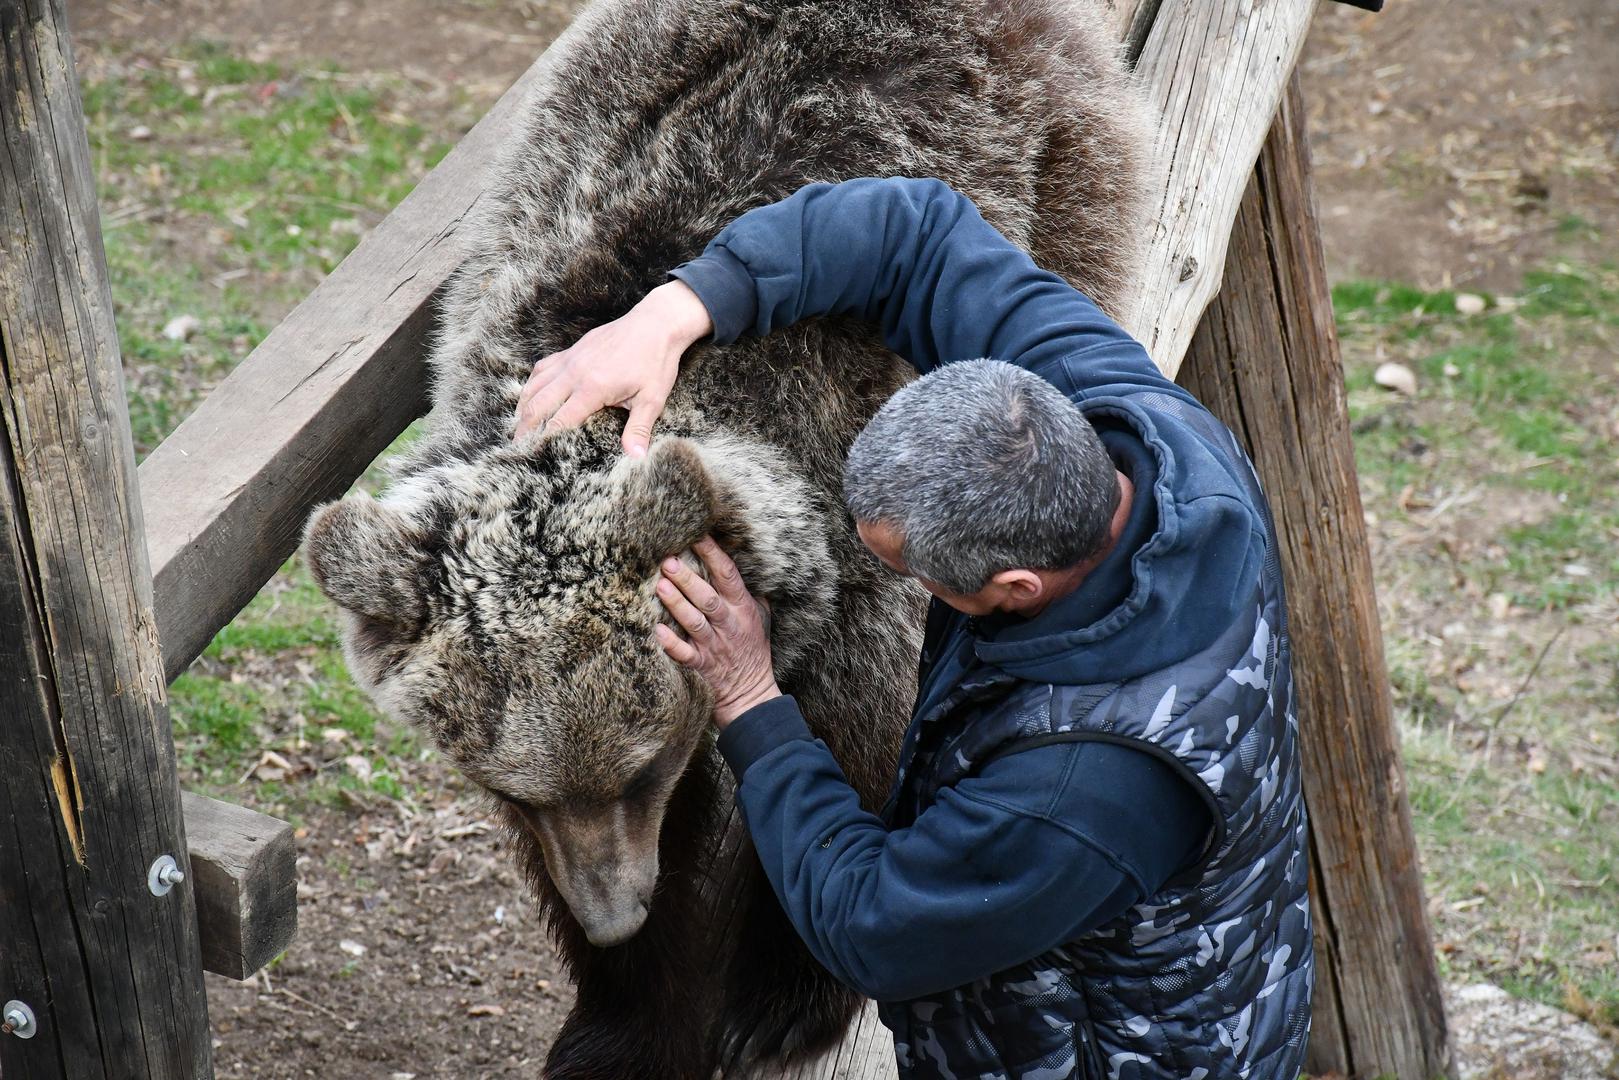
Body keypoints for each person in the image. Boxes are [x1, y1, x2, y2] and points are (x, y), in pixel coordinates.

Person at [514, 177, 1313, 1080]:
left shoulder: (1077, 788)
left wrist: (749, 699)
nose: (891, 577)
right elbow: (915, 232)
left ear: (1013, 584)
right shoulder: (1139, 433)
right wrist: (670, 313)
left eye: (905, 569)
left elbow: (875, 930)